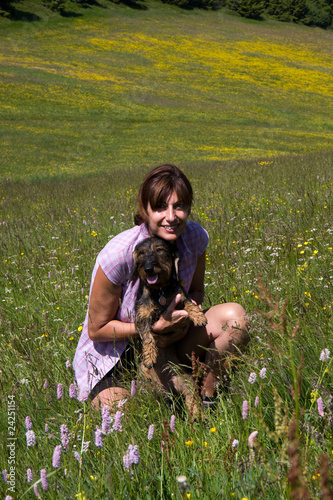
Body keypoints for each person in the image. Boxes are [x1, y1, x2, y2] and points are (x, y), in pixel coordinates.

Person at [73, 164, 249, 407]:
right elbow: (97, 330)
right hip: (118, 352)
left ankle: (209, 393)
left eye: (179, 206)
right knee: (117, 412)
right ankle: (156, 389)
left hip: (175, 339)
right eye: (159, 207)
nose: (170, 216)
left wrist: (182, 321)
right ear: (145, 210)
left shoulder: (195, 238)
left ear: (188, 207)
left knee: (237, 319)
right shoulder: (118, 254)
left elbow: (196, 292)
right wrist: (155, 328)